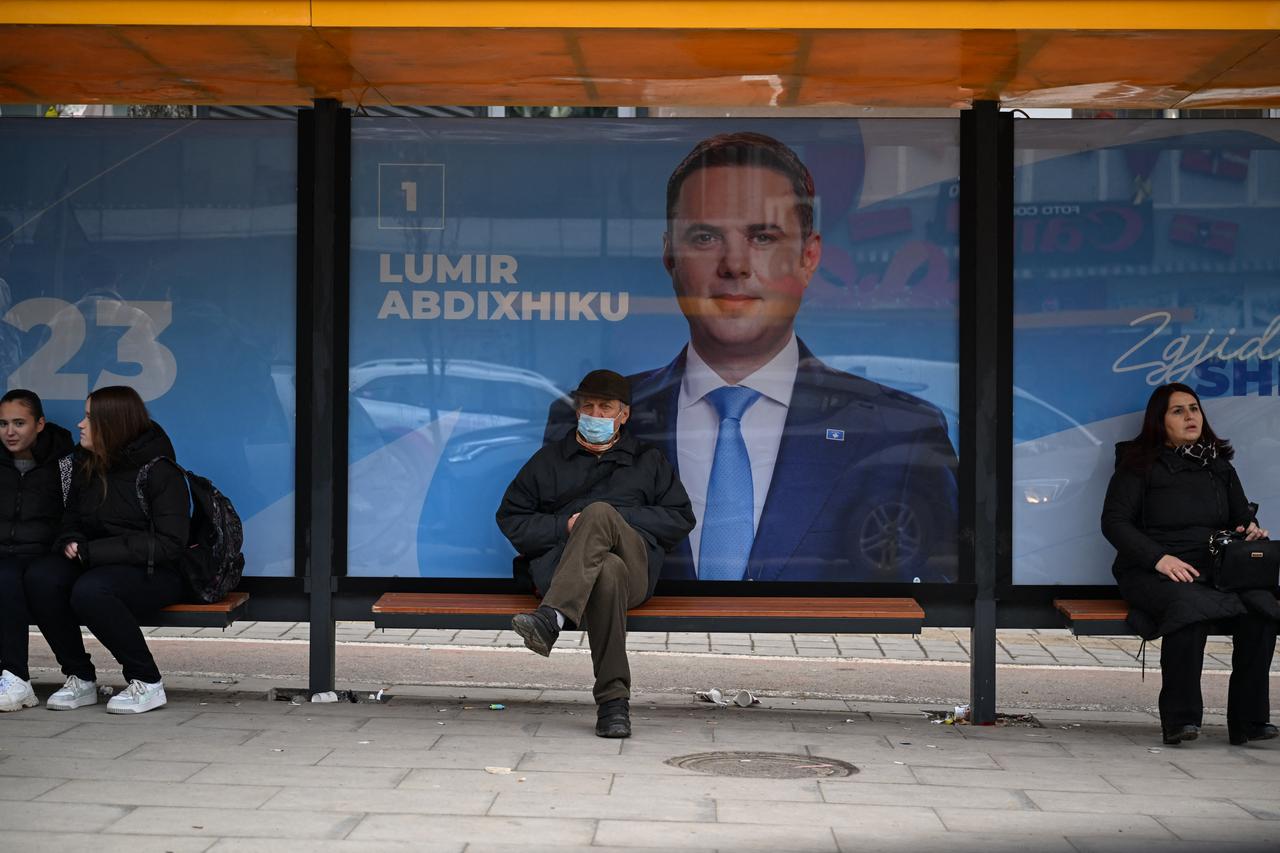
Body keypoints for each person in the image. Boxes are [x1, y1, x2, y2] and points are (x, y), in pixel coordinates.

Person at [550, 132, 957, 582]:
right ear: (669, 255)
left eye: (762, 237)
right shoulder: (586, 419)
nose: (735, 264)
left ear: (809, 256)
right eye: (705, 237)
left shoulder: (903, 435)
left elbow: (937, 615)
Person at [497, 369, 694, 738]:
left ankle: (552, 617)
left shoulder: (647, 461)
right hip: (566, 569)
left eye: (606, 408)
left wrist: (619, 520)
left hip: (636, 570)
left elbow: (681, 518)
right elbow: (511, 518)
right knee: (606, 573)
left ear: (624, 415)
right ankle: (613, 707)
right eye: (588, 406)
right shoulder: (549, 461)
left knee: (601, 512)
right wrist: (564, 527)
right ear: (576, 412)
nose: (596, 414)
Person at [1102, 382, 1279, 746]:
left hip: (1214, 568)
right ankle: (1180, 720)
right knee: (1188, 607)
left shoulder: (1219, 467)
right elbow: (1115, 523)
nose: (1190, 417)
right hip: (1153, 569)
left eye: (1194, 408)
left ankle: (1249, 721)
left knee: (1262, 609)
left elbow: (1240, 517)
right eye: (1178, 411)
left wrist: (1250, 531)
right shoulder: (1138, 466)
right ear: (1159, 421)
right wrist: (1159, 559)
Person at [24, 385, 191, 714]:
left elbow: (171, 544)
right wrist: (69, 540)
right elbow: (69, 517)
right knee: (41, 577)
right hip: (97, 561)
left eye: (89, 418)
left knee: (90, 591)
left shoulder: (159, 470)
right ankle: (80, 677)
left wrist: (94, 552)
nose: (80, 425)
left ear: (113, 424)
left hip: (156, 571)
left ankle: (147, 681)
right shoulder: (86, 464)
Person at [0, 390, 75, 711]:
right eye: (3, 424)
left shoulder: (64, 460)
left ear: (40, 424)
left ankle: (78, 672)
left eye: (19, 423)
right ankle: (16, 678)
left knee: (37, 581)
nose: (10, 432)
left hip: (48, 553)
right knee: (5, 578)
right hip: (5, 554)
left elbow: (77, 510)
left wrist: (68, 541)